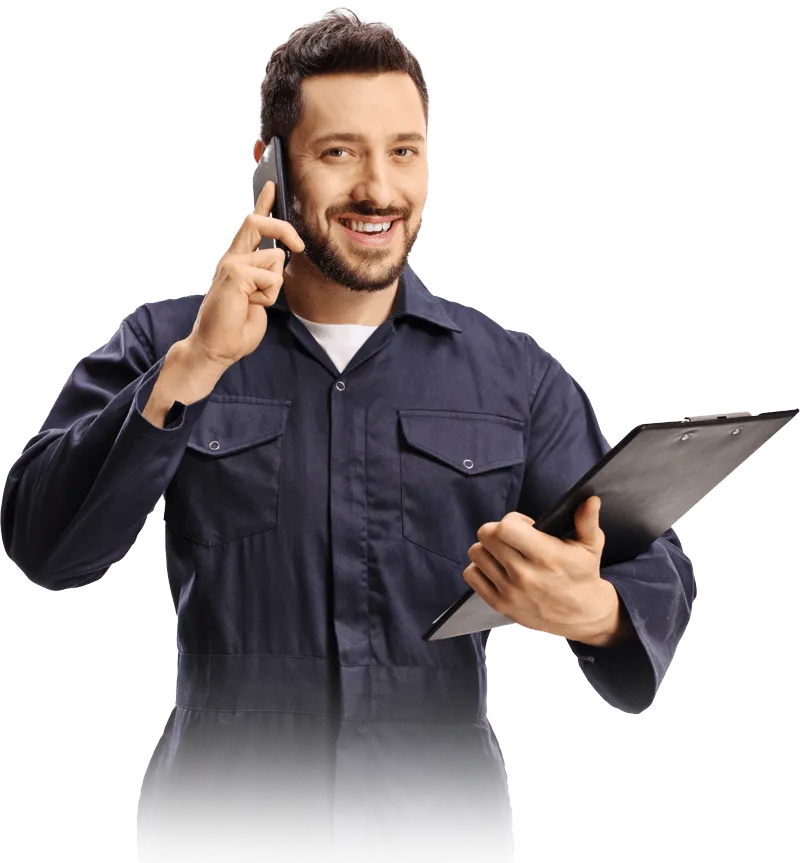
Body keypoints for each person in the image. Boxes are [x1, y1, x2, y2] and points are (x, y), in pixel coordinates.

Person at [0, 8, 696, 863]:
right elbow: (46, 544)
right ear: (271, 167)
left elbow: (649, 564)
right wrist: (194, 368)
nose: (379, 187)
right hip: (225, 830)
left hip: (440, 831)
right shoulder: (163, 346)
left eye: (404, 150)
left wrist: (597, 614)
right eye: (339, 152)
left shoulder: (511, 376)